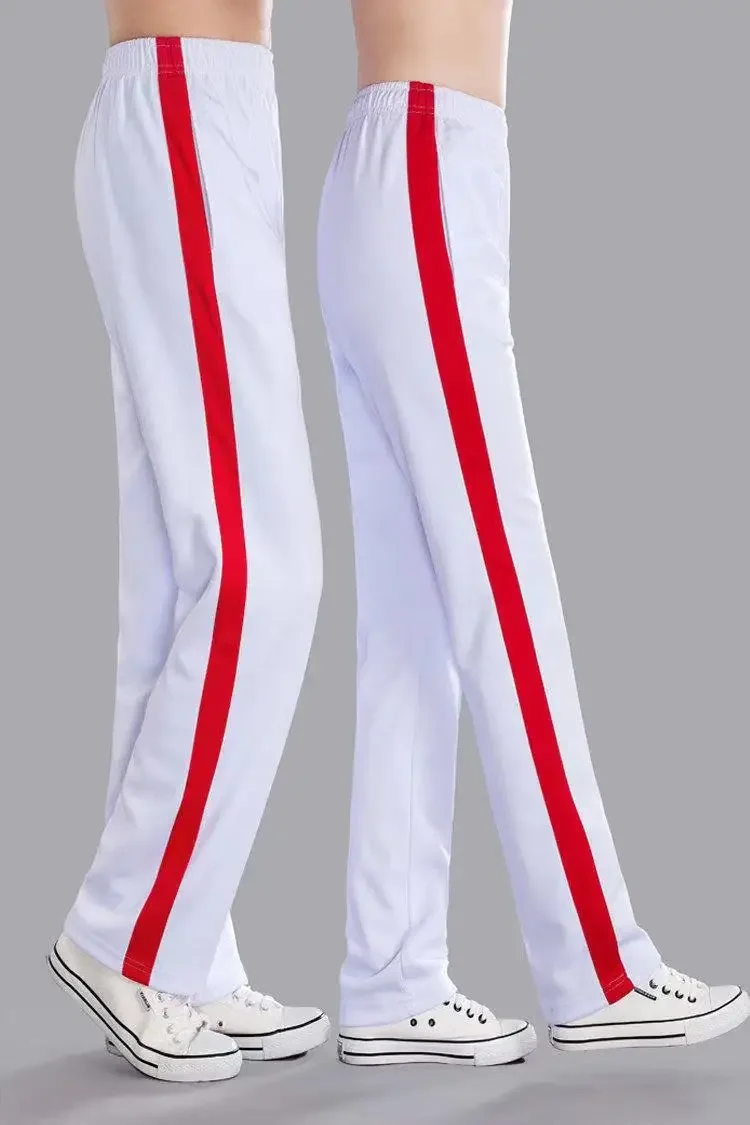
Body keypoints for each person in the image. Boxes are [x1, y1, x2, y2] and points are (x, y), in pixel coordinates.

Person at [49, 0, 747, 1084]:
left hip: (304, 126)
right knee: (320, 578)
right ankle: (594, 966)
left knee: (334, 596)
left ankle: (347, 968)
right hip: (350, 140)